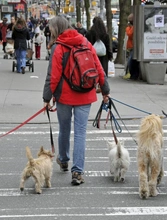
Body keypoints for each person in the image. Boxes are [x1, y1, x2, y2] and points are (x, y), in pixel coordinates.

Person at [42, 16, 110, 186]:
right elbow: (98, 67)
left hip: (65, 96)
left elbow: (53, 76)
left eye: (51, 28)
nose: (50, 31)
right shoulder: (85, 42)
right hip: (86, 94)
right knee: (80, 133)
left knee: (64, 128)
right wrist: (105, 90)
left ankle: (64, 160)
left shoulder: (58, 47)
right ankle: (77, 172)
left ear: (57, 29)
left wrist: (47, 98)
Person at [85, 16, 112, 92]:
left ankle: (94, 84)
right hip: (104, 56)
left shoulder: (89, 33)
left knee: (93, 69)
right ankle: (102, 85)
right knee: (102, 70)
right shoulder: (105, 34)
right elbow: (108, 46)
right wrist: (110, 56)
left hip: (92, 55)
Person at [123, 13, 140, 80]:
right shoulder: (129, 28)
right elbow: (129, 34)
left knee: (132, 61)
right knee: (131, 61)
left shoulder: (133, 27)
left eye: (131, 20)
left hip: (134, 46)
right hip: (131, 46)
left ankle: (134, 75)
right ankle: (133, 74)